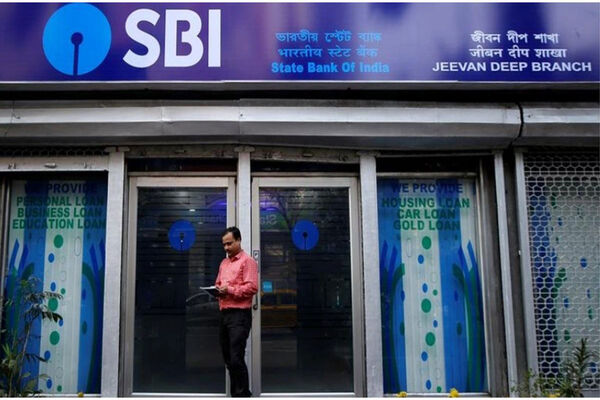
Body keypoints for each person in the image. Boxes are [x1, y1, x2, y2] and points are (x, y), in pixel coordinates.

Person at [215, 226, 258, 397]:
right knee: (228, 358)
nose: (226, 247)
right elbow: (218, 283)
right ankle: (237, 394)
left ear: (239, 240)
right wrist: (216, 290)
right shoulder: (224, 263)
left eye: (230, 243)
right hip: (224, 313)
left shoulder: (247, 261)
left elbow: (252, 287)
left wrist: (230, 290)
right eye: (224, 244)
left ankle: (243, 394)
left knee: (236, 357)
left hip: (239, 315)